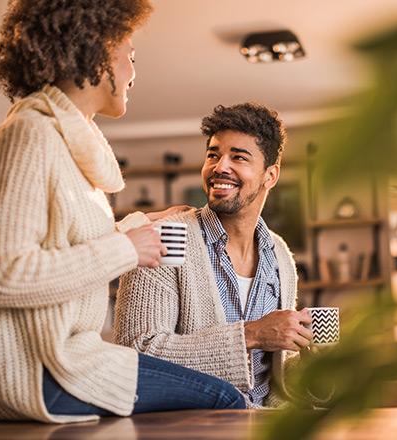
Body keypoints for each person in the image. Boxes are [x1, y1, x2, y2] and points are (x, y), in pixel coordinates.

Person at [0, 0, 245, 424]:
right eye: (129, 57)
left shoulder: (62, 143)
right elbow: (3, 275)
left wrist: (141, 225)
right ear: (94, 50)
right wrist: (127, 250)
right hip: (33, 369)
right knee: (227, 402)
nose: (133, 73)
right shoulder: (29, 134)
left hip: (56, 357)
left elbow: (64, 241)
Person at [114, 102, 322, 408]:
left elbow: (270, 377)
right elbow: (139, 356)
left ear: (270, 176)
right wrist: (250, 335)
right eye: (213, 155)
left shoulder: (279, 255)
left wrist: (311, 368)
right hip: (195, 430)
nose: (219, 167)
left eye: (238, 157)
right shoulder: (166, 236)